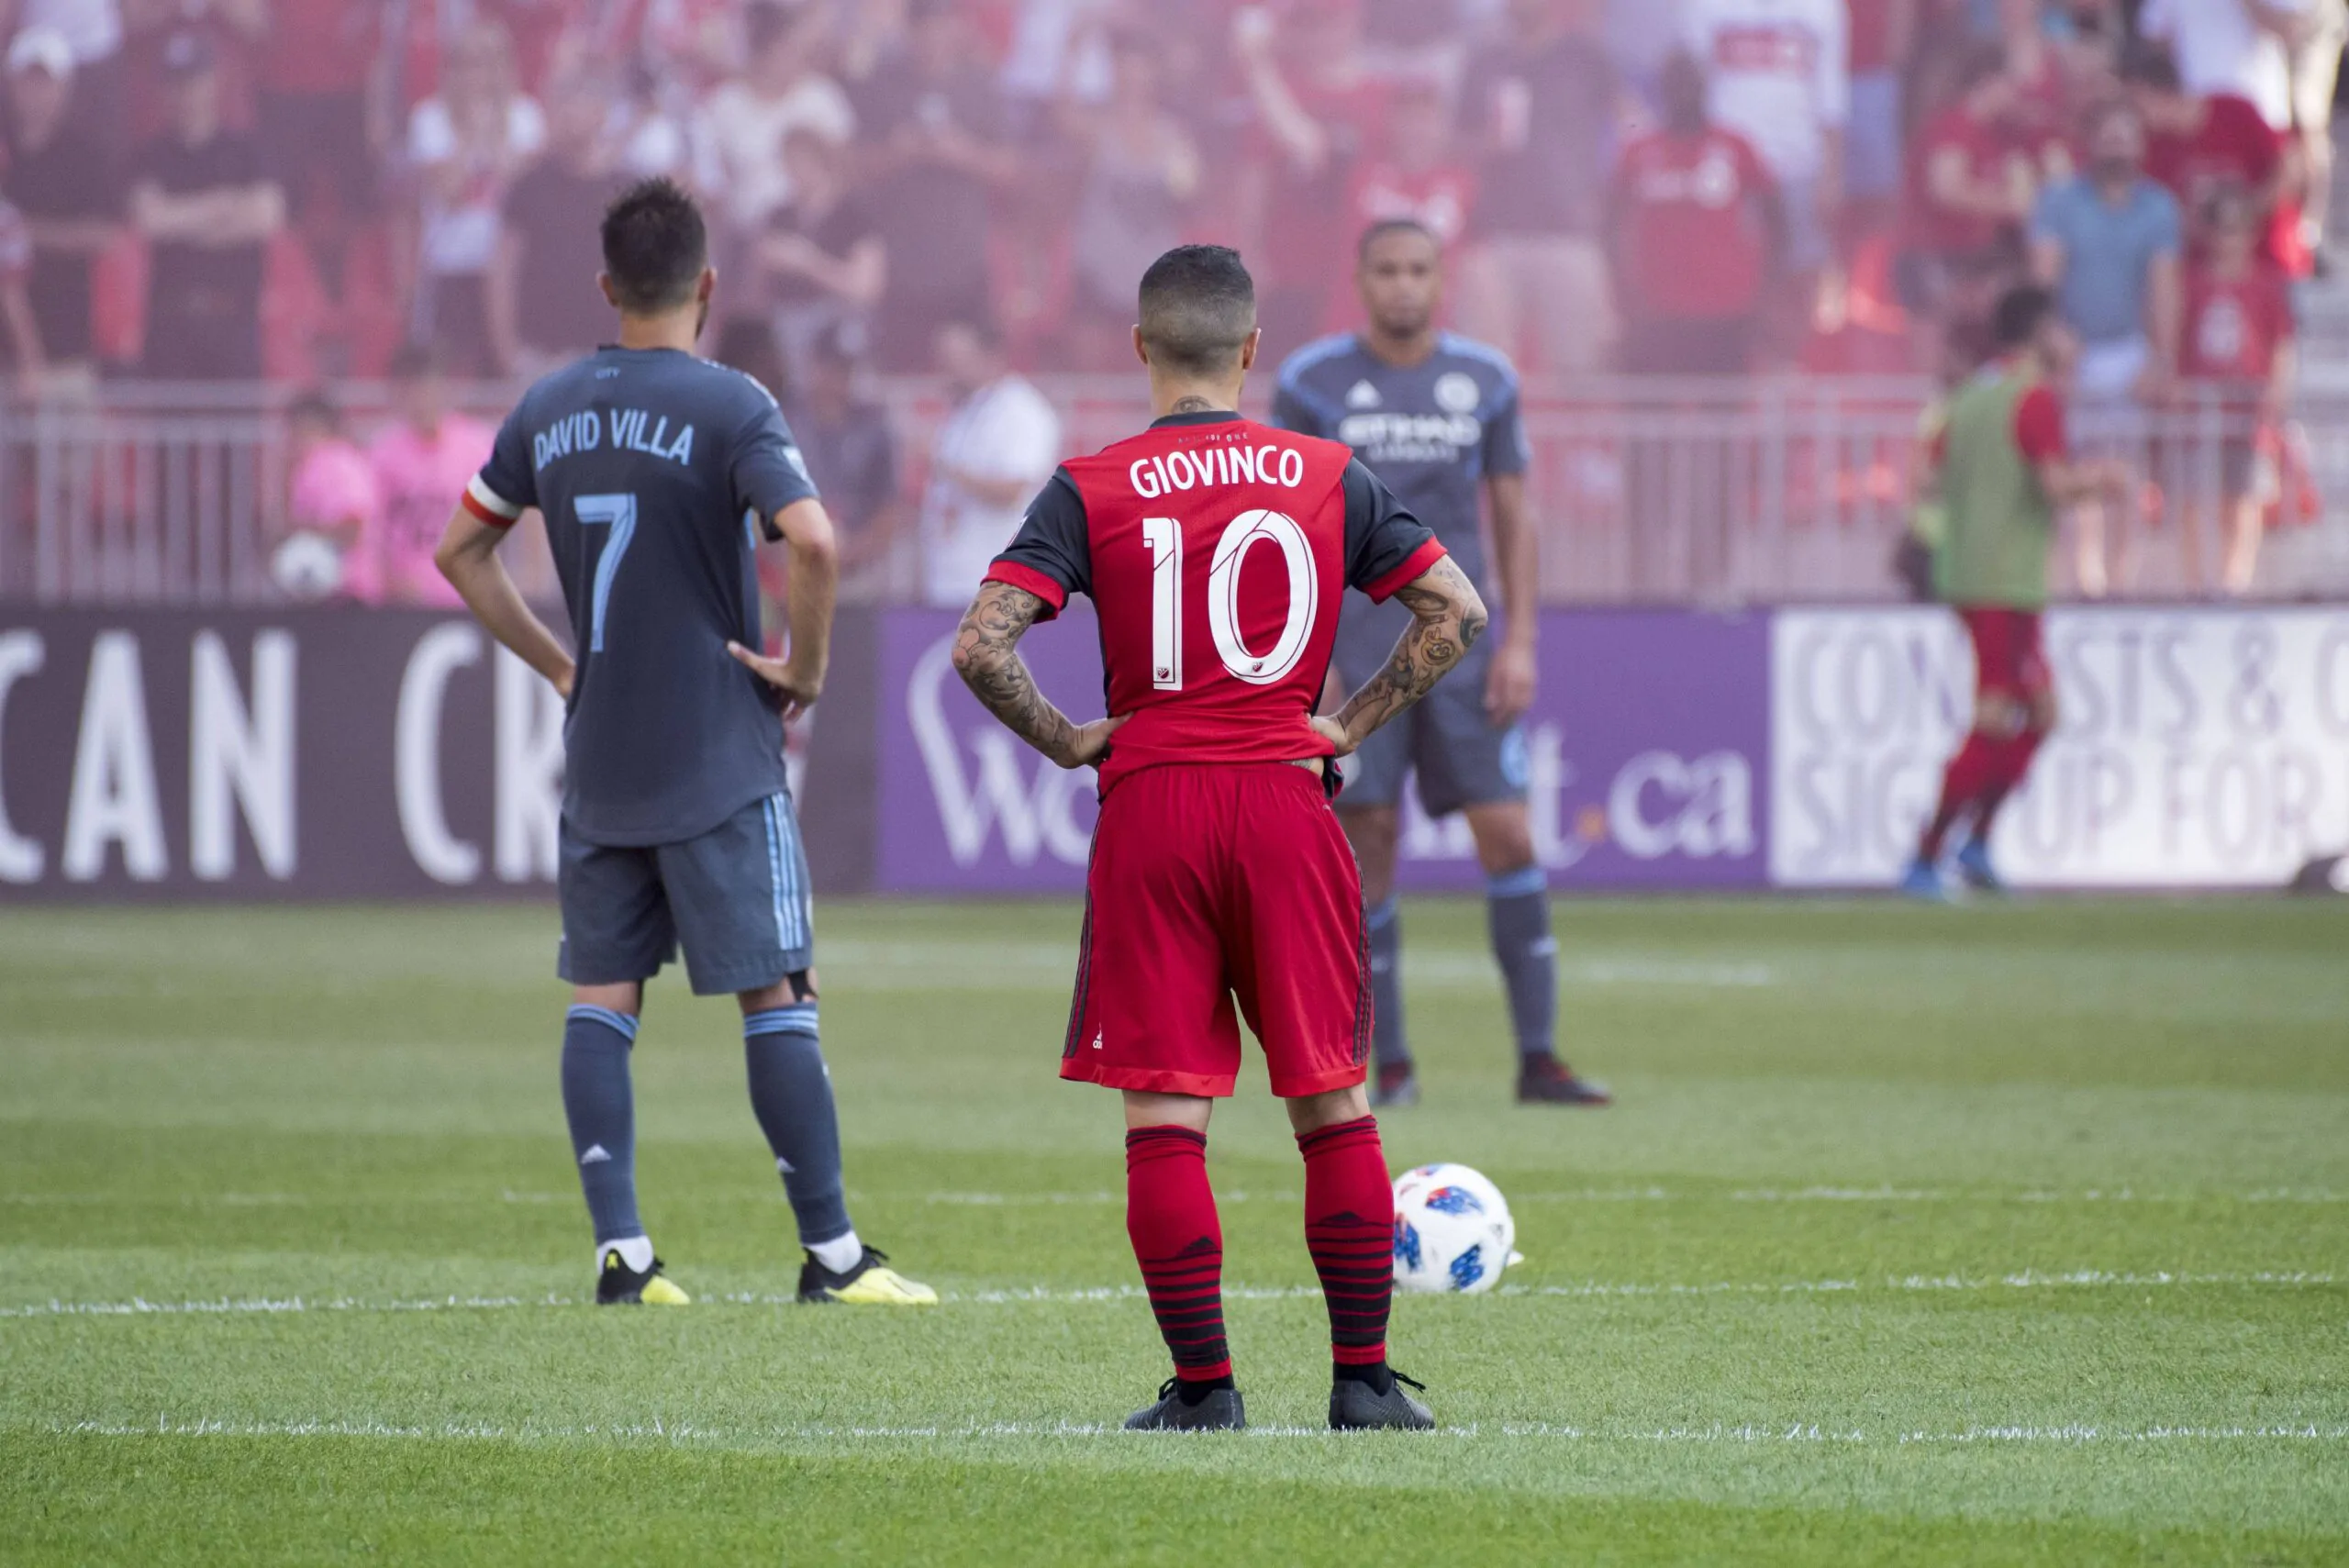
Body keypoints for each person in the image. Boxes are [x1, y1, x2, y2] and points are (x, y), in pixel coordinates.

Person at [952, 242, 1480, 1432]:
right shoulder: (1327, 471)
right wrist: (1344, 722)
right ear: (1251, 352)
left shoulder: (1088, 485)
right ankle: (1362, 1384)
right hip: (1286, 806)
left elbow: (982, 645)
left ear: (1141, 347)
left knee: (1165, 1115)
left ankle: (1205, 1389)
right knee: (1333, 1098)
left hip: (1157, 809)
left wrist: (1071, 740)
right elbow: (1458, 609)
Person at [434, 177, 933, 1310]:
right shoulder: (731, 402)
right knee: (778, 993)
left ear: (607, 286)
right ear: (708, 285)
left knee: (602, 998)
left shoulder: (547, 403)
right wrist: (803, 671)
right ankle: (835, 1255)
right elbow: (813, 539)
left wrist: (564, 666)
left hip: (602, 753)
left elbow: (460, 551)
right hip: (718, 752)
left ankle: (623, 1254)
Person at [1273, 219, 1609, 1109]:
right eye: (1385, 270)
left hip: (1460, 648)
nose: (1402, 286)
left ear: (1440, 278)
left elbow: (1513, 514)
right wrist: (1309, 662)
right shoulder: (1311, 382)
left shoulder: (1485, 380)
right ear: (1360, 277)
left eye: (1418, 269)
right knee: (1369, 842)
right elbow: (1294, 531)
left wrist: (1523, 641)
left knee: (1509, 834)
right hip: (1353, 642)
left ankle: (1540, 1059)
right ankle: (1389, 1066)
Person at [1902, 285, 2125, 897]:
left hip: (1975, 574)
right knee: (1997, 715)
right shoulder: (2034, 397)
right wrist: (2103, 482)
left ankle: (1975, 843)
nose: (2073, 342)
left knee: (2040, 713)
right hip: (2003, 580)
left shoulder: (1971, 394)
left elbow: (1925, 475)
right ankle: (1925, 857)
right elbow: (2055, 488)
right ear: (2042, 333)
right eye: (2065, 328)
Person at [2028, 100, 2182, 596]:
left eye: (2126, 133)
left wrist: (2160, 360)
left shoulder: (2158, 207)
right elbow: (2043, 280)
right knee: (2080, 473)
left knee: (2125, 474)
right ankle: (2083, 580)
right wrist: (2053, 350)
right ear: (2090, 141)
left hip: (2127, 352)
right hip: (2074, 352)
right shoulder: (2060, 201)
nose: (2116, 142)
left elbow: (2163, 288)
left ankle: (2121, 582)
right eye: (2108, 132)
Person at [1452, 0, 1620, 375]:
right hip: (1496, 234)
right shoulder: (1486, 60)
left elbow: (1629, 119)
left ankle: (1583, 438)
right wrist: (1486, 144)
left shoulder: (1584, 55)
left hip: (1570, 233)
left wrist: (1605, 194)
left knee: (1579, 367)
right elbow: (1455, 144)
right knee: (1485, 368)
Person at [1681, 0, 1847, 350]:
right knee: (1734, 270)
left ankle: (1796, 363)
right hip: (1730, 169)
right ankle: (1745, 360)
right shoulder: (1702, 7)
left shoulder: (1822, 7)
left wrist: (1831, 173)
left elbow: (1831, 95)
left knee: (1802, 271)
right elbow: (1689, 82)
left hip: (1798, 160)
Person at [1608, 49, 1784, 375]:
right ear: (1663, 91)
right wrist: (1623, 293)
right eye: (1676, 85)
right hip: (1655, 313)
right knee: (1650, 418)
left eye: (1692, 85)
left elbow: (1776, 221)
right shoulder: (1639, 152)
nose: (1684, 94)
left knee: (1720, 418)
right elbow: (1610, 225)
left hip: (1727, 312)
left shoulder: (1735, 147)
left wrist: (1763, 295)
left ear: (1705, 88)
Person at [125, 28, 281, 379]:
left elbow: (265, 217)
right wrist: (221, 206)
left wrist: (181, 217)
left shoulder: (246, 152)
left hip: (234, 317)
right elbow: (150, 221)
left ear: (214, 81)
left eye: (193, 80)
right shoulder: (151, 155)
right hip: (171, 322)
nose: (185, 93)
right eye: (175, 82)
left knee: (236, 429)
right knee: (169, 430)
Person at [406, 20, 545, 378]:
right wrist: (471, 131)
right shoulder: (430, 118)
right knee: (451, 373)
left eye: (490, 61)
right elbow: (447, 191)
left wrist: (496, 129)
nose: (480, 73)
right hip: (451, 265)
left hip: (511, 270)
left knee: (504, 376)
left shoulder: (527, 117)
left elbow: (526, 193)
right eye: (469, 62)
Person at [2177, 182, 2295, 595]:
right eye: (2221, 227)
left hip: (2247, 408)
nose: (2229, 238)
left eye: (2238, 227)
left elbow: (2280, 342)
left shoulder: (2265, 284)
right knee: (2193, 493)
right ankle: (2194, 581)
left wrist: (2275, 395)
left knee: (2243, 495)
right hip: (2199, 408)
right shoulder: (2190, 283)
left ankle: (2234, 581)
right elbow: (2177, 335)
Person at [917, 318, 1059, 608]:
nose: (948, 369)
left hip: (994, 584)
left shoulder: (1022, 411)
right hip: (948, 580)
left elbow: (1012, 490)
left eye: (958, 359)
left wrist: (945, 466)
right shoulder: (964, 410)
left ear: (990, 356)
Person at [494, 71, 627, 373]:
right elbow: (502, 272)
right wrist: (508, 351)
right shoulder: (528, 187)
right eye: (561, 107)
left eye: (576, 106)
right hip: (538, 355)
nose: (567, 117)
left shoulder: (626, 192)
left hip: (608, 356)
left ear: (600, 114)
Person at [4, 26, 116, 382]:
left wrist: (22, 234)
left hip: (68, 345)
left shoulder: (85, 157)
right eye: (28, 81)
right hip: (4, 354)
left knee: (72, 434)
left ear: (65, 87)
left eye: (46, 82)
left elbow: (104, 234)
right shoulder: (5, 154)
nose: (36, 93)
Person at [371, 345, 494, 607]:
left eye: (425, 387)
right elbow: (372, 530)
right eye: (408, 389)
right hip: (402, 598)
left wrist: (531, 576)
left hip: (470, 595)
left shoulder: (477, 446)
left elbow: (525, 505)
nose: (418, 398)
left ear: (443, 388)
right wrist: (390, 580)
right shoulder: (382, 454)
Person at [284, 387, 383, 604]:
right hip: (320, 589)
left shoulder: (339, 463)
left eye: (296, 429)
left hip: (350, 591)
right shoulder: (307, 467)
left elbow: (353, 525)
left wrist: (302, 532)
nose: (291, 438)